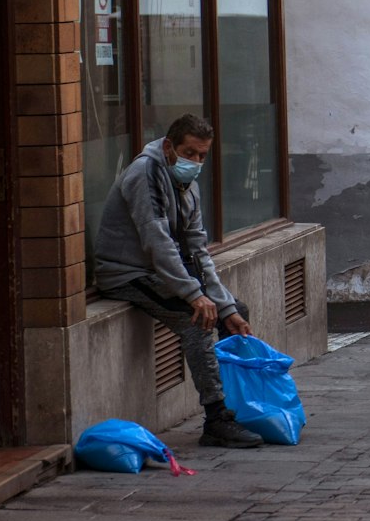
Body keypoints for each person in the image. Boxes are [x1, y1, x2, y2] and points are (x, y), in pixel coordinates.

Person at [93, 114, 264, 449]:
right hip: (126, 272)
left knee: (232, 312)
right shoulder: (145, 174)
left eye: (202, 156)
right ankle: (216, 420)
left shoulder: (188, 186)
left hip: (159, 270)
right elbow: (157, 241)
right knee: (197, 319)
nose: (195, 162)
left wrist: (225, 303)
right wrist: (193, 295)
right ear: (169, 147)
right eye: (189, 153)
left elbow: (198, 251)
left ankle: (240, 405)